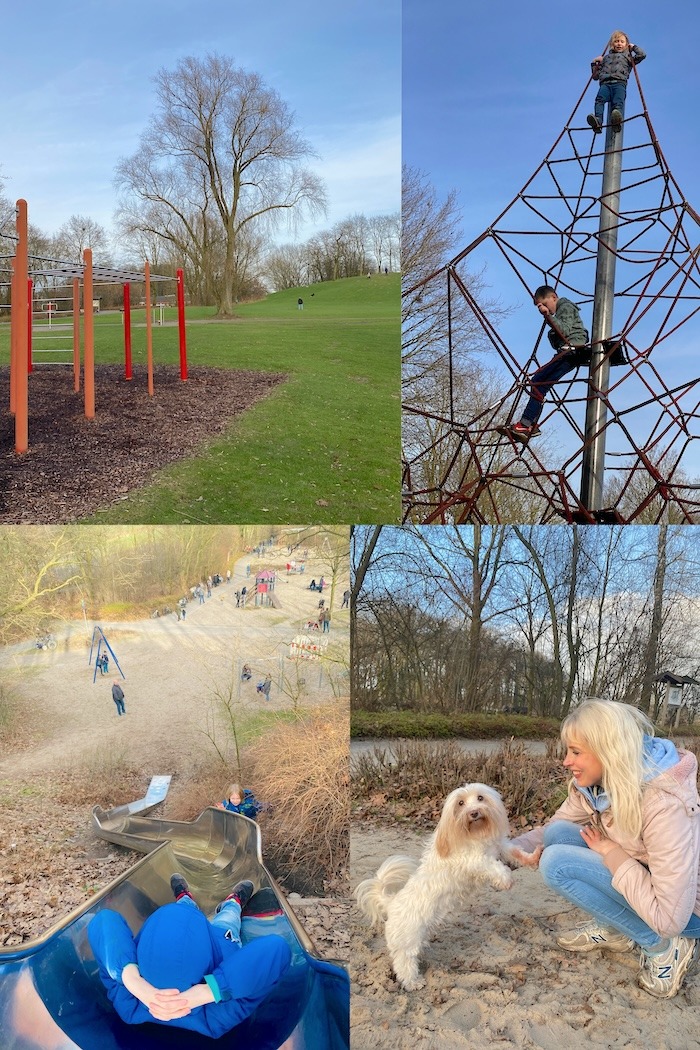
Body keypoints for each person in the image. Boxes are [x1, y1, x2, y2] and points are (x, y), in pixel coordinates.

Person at [510, 699, 700, 999]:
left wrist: (612, 852)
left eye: (575, 752)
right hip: (647, 883)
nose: (566, 762)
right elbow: (554, 827)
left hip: (684, 914)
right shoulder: (597, 788)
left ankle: (663, 948)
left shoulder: (663, 803)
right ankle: (617, 927)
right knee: (559, 835)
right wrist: (508, 849)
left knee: (557, 864)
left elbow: (670, 917)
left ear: (608, 750)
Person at [88, 875, 291, 1038]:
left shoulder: (131, 1003)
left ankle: (185, 899)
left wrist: (131, 977)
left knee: (185, 909)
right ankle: (233, 902)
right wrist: (209, 991)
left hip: (182, 934)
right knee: (227, 920)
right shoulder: (213, 1018)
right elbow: (276, 949)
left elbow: (104, 921)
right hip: (219, 942)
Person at [502, 286, 589, 442]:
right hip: (567, 352)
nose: (542, 308)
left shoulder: (566, 306)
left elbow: (565, 331)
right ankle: (530, 425)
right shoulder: (562, 310)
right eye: (539, 306)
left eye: (544, 304)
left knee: (537, 382)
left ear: (554, 297)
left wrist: (549, 316)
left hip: (572, 352)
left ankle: (526, 424)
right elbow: (558, 336)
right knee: (540, 384)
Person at [587, 31, 646, 134]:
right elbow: (595, 76)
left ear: (626, 45)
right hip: (605, 84)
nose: (619, 43)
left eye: (622, 42)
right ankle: (598, 121)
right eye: (616, 41)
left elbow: (642, 55)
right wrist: (594, 63)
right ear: (612, 44)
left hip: (619, 83)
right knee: (599, 100)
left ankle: (616, 122)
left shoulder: (628, 58)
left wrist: (634, 47)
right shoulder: (605, 58)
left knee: (617, 103)